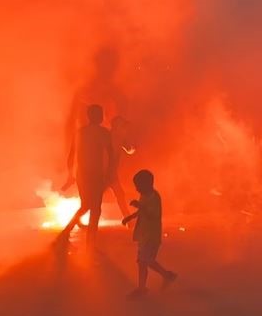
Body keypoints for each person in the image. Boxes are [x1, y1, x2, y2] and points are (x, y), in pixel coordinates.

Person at [58, 104, 114, 253]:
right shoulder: (103, 133)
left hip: (82, 175)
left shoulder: (81, 132)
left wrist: (71, 175)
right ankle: (89, 243)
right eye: (101, 113)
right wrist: (109, 174)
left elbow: (71, 156)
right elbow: (111, 155)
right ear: (99, 116)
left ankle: (66, 235)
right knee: (94, 208)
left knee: (86, 206)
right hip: (95, 175)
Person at [122, 169, 177, 296]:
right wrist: (129, 218)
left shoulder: (154, 197)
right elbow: (142, 211)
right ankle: (166, 276)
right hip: (144, 235)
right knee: (146, 261)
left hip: (151, 236)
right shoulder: (145, 196)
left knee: (144, 262)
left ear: (147, 185)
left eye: (138, 187)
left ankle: (143, 288)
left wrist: (140, 206)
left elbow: (153, 215)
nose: (136, 190)